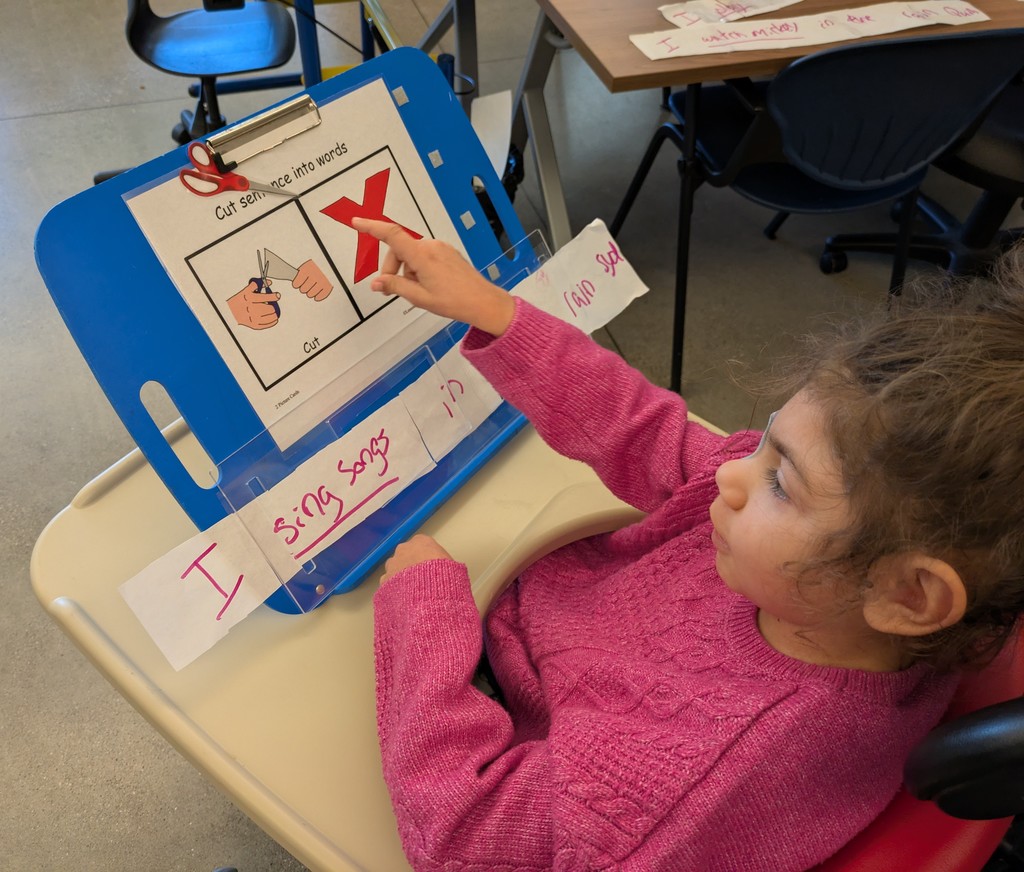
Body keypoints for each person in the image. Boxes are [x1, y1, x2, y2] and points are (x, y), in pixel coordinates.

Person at [355, 216, 1024, 871]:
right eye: (763, 443)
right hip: (555, 627)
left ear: (909, 593)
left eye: (780, 482)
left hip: (490, 708)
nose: (731, 472)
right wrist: (498, 313)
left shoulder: (682, 781)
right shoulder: (848, 581)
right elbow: (644, 431)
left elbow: (462, 835)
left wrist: (425, 610)